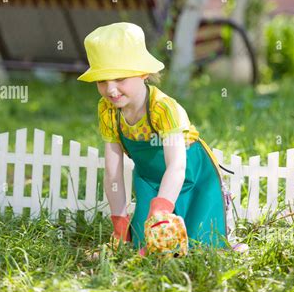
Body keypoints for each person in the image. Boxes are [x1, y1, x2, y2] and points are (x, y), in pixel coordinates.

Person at [78, 22, 228, 254]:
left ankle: (224, 244)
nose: (111, 90)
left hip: (192, 175)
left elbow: (177, 166)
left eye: (120, 78)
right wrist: (119, 223)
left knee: (202, 243)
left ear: (143, 73)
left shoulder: (162, 108)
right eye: (102, 81)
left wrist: (161, 210)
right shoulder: (108, 110)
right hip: (149, 179)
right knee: (144, 243)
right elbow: (112, 171)